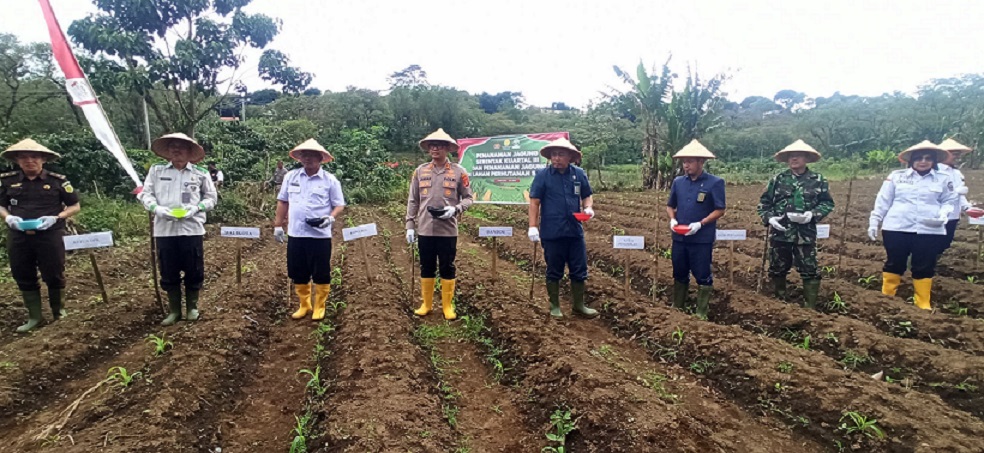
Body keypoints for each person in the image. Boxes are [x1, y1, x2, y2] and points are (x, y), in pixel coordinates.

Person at [0, 139, 80, 332]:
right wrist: (8, 218)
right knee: (22, 273)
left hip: (49, 234)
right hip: (19, 235)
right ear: (17, 160)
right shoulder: (7, 180)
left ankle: (58, 312)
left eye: (34, 156)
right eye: (24, 157)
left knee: (53, 272)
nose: (29, 161)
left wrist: (56, 217)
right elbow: (1, 205)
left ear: (43, 159)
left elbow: (75, 206)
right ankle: (35, 317)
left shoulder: (57, 181)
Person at [139, 133, 218, 326]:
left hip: (191, 229)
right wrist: (156, 208)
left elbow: (211, 198)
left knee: (194, 268)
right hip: (164, 230)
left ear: (190, 151)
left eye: (181, 147)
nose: (177, 150)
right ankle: (174, 310)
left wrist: (196, 208)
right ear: (168, 151)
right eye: (173, 146)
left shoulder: (200, 173)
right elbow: (145, 194)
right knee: (168, 270)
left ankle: (192, 307)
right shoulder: (157, 171)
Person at [868, 141, 957, 310]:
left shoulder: (944, 179)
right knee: (895, 262)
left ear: (934, 161)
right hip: (897, 227)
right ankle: (887, 297)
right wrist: (875, 221)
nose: (923, 161)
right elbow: (883, 201)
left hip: (930, 229)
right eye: (919, 158)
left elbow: (949, 200)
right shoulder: (896, 176)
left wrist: (945, 212)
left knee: (924, 264)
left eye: (928, 158)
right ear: (911, 160)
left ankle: (923, 302)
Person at [757, 140, 835, 309]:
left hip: (805, 234)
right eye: (790, 156)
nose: (793, 159)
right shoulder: (778, 179)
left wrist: (812, 215)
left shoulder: (818, 180)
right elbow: (764, 203)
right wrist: (770, 218)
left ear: (806, 158)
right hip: (781, 233)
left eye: (798, 155)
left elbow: (827, 203)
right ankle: (780, 302)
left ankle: (810, 307)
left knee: (810, 270)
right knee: (777, 268)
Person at [273, 139, 345, 321]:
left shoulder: (330, 180)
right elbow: (283, 201)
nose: (308, 159)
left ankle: (320, 306)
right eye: (305, 155)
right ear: (300, 158)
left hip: (319, 235)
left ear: (320, 158)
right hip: (296, 233)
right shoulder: (291, 177)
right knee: (298, 270)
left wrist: (331, 217)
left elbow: (339, 205)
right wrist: (277, 225)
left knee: (321, 271)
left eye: (313, 155)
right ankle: (304, 305)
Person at [406, 128, 473, 320]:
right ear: (428, 149)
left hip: (448, 229)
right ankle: (426, 304)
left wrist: (456, 209)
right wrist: (410, 225)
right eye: (432, 146)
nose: (435, 149)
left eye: (440, 146)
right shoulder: (420, 171)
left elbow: (469, 198)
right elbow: (413, 200)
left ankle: (447, 306)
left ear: (447, 149)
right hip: (425, 228)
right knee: (426, 266)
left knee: (447, 266)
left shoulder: (459, 173)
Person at [527, 138, 598, 319]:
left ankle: (578, 305)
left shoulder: (579, 174)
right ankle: (554, 305)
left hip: (575, 230)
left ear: (570, 157)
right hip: (552, 231)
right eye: (554, 154)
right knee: (554, 268)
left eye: (561, 154)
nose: (556, 158)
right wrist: (533, 227)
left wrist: (588, 208)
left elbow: (587, 195)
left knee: (579, 268)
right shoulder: (543, 175)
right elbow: (535, 202)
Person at [666, 139, 726, 319]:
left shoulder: (715, 182)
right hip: (680, 236)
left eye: (690, 161)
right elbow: (670, 205)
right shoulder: (678, 182)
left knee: (702, 273)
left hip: (701, 238)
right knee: (679, 271)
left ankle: (701, 312)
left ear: (701, 162)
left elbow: (720, 209)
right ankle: (678, 306)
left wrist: (701, 223)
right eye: (684, 162)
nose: (686, 165)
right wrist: (672, 220)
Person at [936, 138, 974, 254]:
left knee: (945, 243)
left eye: (958, 154)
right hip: (936, 214)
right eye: (954, 154)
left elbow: (960, 195)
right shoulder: (934, 171)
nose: (957, 157)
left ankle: (931, 264)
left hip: (953, 215)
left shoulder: (957, 174)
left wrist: (967, 207)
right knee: (931, 243)